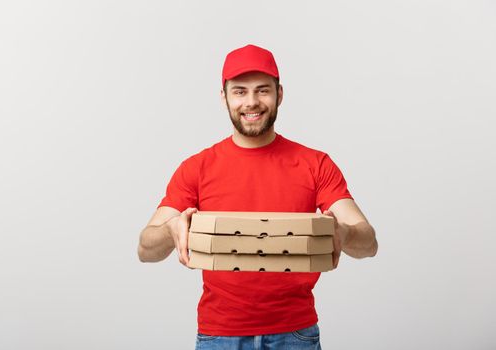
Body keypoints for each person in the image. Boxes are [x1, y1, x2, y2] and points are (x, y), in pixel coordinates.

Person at [138, 44, 378, 350]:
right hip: (219, 335)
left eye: (262, 90)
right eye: (239, 91)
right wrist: (171, 232)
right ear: (224, 97)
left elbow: (368, 243)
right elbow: (146, 249)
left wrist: (343, 232)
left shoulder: (315, 164)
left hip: (296, 335)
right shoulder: (196, 168)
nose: (251, 102)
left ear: (280, 94)